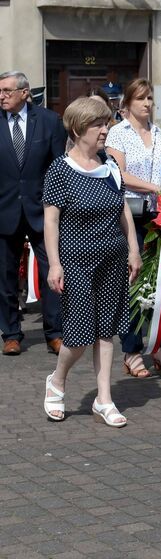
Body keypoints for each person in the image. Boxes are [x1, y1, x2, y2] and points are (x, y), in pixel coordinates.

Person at [41, 97, 142, 426]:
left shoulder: (110, 165)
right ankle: (57, 379)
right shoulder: (61, 170)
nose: (105, 129)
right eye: (98, 124)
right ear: (78, 128)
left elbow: (122, 208)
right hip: (76, 261)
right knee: (79, 336)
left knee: (106, 331)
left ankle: (104, 399)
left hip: (112, 259)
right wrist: (54, 264)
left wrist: (133, 249)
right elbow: (51, 222)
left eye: (106, 123)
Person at [104, 78, 161, 378]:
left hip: (158, 215)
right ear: (128, 103)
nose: (147, 104)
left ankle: (159, 346)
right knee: (131, 281)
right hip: (128, 213)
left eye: (150, 99)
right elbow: (118, 174)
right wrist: (155, 188)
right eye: (141, 99)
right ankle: (132, 350)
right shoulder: (117, 134)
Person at [0, 70, 66, 356]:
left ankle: (54, 332)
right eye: (0, 91)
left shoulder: (49, 121)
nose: (2, 96)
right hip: (4, 211)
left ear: (25, 93)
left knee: (50, 272)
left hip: (43, 211)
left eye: (7, 91)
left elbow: (58, 166)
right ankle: (11, 334)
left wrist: (58, 206)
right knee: (5, 276)